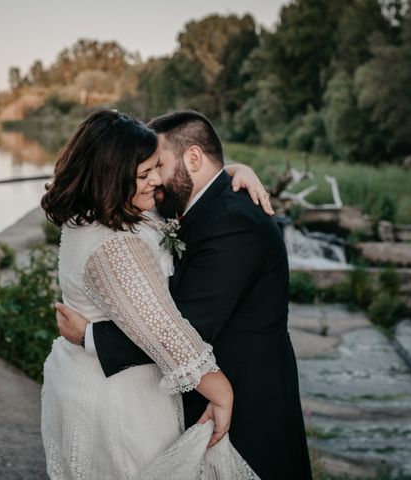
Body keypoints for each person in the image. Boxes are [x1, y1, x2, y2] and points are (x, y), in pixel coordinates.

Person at [57, 110, 313, 479]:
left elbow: (189, 323)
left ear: (193, 158)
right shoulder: (183, 202)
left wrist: (92, 336)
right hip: (190, 390)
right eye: (146, 170)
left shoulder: (234, 221)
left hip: (249, 404)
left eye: (158, 164)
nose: (155, 178)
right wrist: (232, 168)